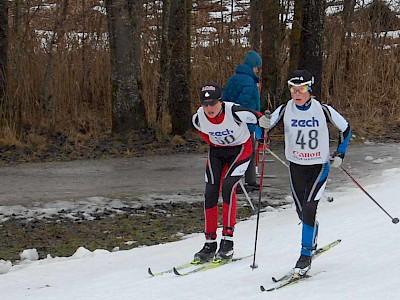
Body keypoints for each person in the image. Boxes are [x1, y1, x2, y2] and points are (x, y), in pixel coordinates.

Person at [266, 70, 351, 276]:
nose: (297, 94)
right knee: (302, 212)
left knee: (310, 207)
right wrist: (261, 130)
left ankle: (305, 254)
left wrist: (340, 153)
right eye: (293, 89)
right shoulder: (285, 109)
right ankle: (311, 229)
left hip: (318, 167)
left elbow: (346, 128)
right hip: (295, 166)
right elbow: (263, 129)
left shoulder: (322, 110)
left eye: (301, 89)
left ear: (310, 90)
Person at [192, 82, 270, 263]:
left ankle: (228, 242)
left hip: (241, 150)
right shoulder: (198, 118)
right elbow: (203, 133)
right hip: (217, 152)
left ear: (220, 101)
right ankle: (210, 242)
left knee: (228, 187)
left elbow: (257, 118)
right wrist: (216, 141)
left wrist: (262, 130)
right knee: (210, 192)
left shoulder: (234, 111)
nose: (209, 108)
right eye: (205, 104)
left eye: (213, 103)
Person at [222, 50, 262, 192]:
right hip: (245, 121)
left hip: (231, 120)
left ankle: (246, 180)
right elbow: (243, 103)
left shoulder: (233, 79)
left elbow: (224, 98)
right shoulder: (249, 82)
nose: (258, 71)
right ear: (254, 67)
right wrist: (246, 117)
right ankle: (244, 181)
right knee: (247, 151)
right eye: (258, 68)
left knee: (237, 150)